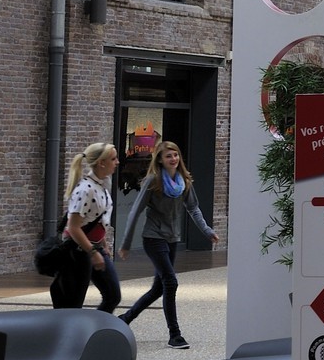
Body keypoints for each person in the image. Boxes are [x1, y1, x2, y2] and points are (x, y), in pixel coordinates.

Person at [118, 140, 219, 349]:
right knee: (170, 282)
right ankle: (175, 335)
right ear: (160, 160)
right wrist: (126, 243)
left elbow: (193, 208)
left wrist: (207, 231)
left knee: (158, 289)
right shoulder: (153, 181)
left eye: (175, 155)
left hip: (172, 238)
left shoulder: (184, 182)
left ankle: (125, 318)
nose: (173, 159)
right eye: (168, 156)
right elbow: (135, 211)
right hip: (153, 237)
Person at [50, 142, 121, 312]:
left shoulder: (103, 184)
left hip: (94, 247)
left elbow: (95, 218)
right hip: (78, 251)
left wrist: (102, 244)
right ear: (101, 163)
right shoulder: (85, 189)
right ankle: (72, 328)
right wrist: (93, 252)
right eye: (113, 159)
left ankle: (97, 326)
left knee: (113, 295)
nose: (117, 162)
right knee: (73, 305)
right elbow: (73, 227)